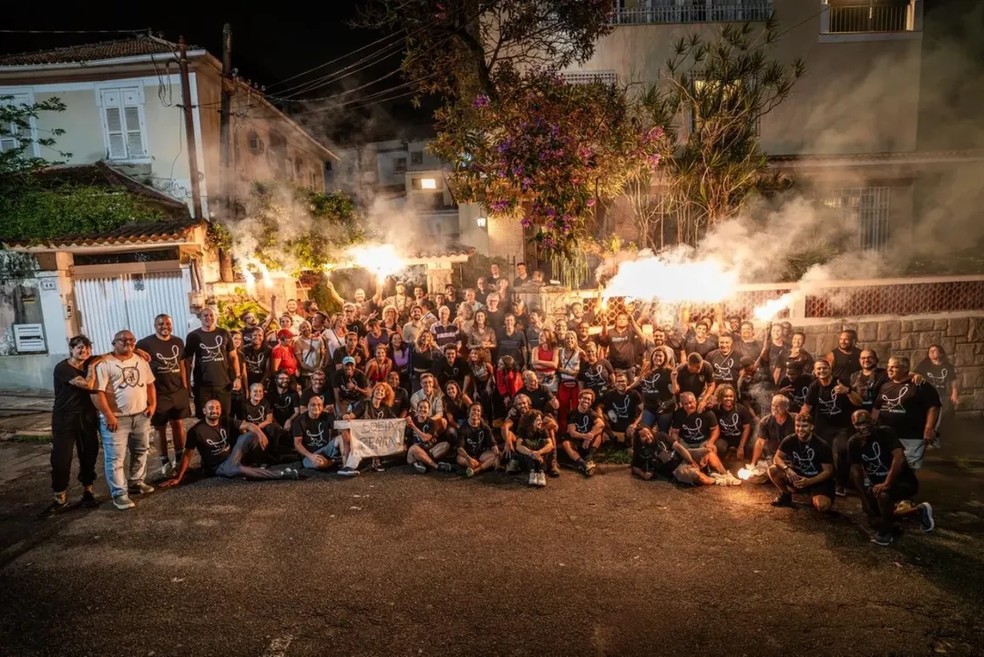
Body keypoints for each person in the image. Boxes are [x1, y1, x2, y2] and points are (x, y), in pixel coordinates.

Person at [90, 330, 157, 511]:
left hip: (141, 415)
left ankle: (136, 481)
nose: (128, 343)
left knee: (141, 450)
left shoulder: (141, 360)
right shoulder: (104, 363)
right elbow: (97, 393)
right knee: (115, 458)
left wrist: (152, 405)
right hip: (117, 419)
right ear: (114, 342)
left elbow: (150, 384)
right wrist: (109, 415)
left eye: (131, 340)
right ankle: (119, 493)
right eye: (123, 340)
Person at [160, 399, 299, 487]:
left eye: (217, 408)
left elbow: (248, 425)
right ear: (204, 411)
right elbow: (188, 455)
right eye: (211, 408)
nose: (214, 411)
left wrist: (259, 432)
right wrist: (179, 477)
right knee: (238, 470)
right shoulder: (196, 431)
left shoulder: (225, 420)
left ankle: (261, 461)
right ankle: (282, 474)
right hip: (219, 466)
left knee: (251, 435)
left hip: (233, 455)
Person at [848, 410, 934, 546]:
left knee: (883, 496)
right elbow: (856, 470)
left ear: (873, 421)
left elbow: (899, 457)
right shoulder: (854, 442)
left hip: (902, 481)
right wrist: (863, 498)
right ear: (853, 425)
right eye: (858, 424)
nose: (863, 426)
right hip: (877, 485)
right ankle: (917, 511)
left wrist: (887, 483)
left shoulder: (885, 432)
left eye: (866, 422)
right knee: (874, 521)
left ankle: (887, 533)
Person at [47, 335, 104, 513]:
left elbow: (114, 353)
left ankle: (88, 492)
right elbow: (87, 385)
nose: (83, 351)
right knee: (61, 459)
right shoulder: (63, 368)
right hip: (65, 419)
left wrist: (139, 350)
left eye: (87, 348)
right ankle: (60, 497)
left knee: (89, 455)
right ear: (71, 349)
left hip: (87, 418)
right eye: (79, 348)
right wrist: (94, 366)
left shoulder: (89, 362)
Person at [137, 314, 190, 477]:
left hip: (178, 390)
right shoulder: (145, 343)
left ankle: (179, 457)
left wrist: (185, 386)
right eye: (160, 324)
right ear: (155, 325)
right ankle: (164, 461)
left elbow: (181, 363)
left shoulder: (178, 341)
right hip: (158, 392)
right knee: (160, 427)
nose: (164, 326)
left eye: (167, 323)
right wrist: (136, 350)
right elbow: (130, 351)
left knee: (178, 424)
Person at [631, 425, 738, 486]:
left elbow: (679, 448)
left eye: (648, 433)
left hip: (684, 455)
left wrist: (691, 461)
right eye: (643, 436)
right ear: (639, 439)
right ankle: (718, 481)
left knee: (708, 452)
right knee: (697, 476)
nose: (648, 436)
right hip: (676, 469)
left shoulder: (661, 436)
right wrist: (642, 474)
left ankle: (726, 474)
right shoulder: (640, 450)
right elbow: (634, 466)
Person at [768, 414, 835, 512]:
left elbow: (828, 472)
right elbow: (777, 458)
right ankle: (786, 495)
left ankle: (815, 495)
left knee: (822, 507)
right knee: (773, 470)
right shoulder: (790, 439)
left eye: (804, 426)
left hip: (817, 479)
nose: (800, 429)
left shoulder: (822, 445)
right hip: (798, 475)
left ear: (811, 427)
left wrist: (809, 481)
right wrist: (787, 469)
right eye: (797, 426)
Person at [184, 306, 240, 419]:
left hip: (223, 383)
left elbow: (233, 357)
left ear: (216, 317)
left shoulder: (224, 333)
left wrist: (237, 377)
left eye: (211, 315)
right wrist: (187, 384)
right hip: (202, 385)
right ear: (200, 318)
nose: (208, 318)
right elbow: (187, 361)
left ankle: (224, 436)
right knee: (203, 416)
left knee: (224, 416)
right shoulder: (193, 336)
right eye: (205, 315)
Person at [562, 389, 603, 476]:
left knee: (599, 432)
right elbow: (572, 433)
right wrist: (585, 436)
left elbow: (601, 424)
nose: (586, 401)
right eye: (584, 398)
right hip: (577, 440)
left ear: (591, 402)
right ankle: (583, 464)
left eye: (589, 399)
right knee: (565, 443)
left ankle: (589, 457)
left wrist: (590, 436)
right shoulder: (572, 413)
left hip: (588, 442)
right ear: (579, 399)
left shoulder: (591, 413)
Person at [292, 395, 339, 471]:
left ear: (323, 407)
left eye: (319, 405)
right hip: (309, 454)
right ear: (308, 406)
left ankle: (345, 465)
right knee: (319, 464)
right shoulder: (300, 421)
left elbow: (338, 431)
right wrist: (310, 455)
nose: (316, 407)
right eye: (313, 404)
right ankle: (332, 462)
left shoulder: (328, 416)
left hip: (325, 449)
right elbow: (297, 444)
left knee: (341, 438)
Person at [405, 399, 453, 474]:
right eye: (420, 407)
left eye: (425, 407)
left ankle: (423, 462)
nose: (422, 409)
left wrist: (413, 427)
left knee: (446, 445)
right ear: (417, 409)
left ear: (428, 411)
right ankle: (436, 466)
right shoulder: (412, 421)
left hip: (429, 450)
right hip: (415, 451)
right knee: (413, 449)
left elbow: (425, 438)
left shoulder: (432, 423)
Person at [455, 403, 499, 477]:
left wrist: (497, 454)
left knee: (495, 456)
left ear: (480, 414)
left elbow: (493, 443)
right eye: (474, 410)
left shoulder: (484, 426)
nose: (476, 412)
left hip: (481, 454)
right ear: (469, 412)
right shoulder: (463, 428)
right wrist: (468, 458)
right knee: (458, 458)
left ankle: (476, 470)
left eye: (478, 411)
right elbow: (459, 448)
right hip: (467, 455)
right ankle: (481, 465)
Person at [515, 410, 555, 488]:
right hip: (529, 459)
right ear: (530, 421)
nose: (540, 422)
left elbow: (550, 445)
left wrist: (539, 452)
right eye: (538, 420)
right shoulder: (523, 430)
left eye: (540, 419)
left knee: (544, 442)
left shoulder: (543, 430)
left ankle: (541, 473)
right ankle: (532, 472)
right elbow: (518, 446)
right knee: (525, 443)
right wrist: (531, 453)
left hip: (541, 459)